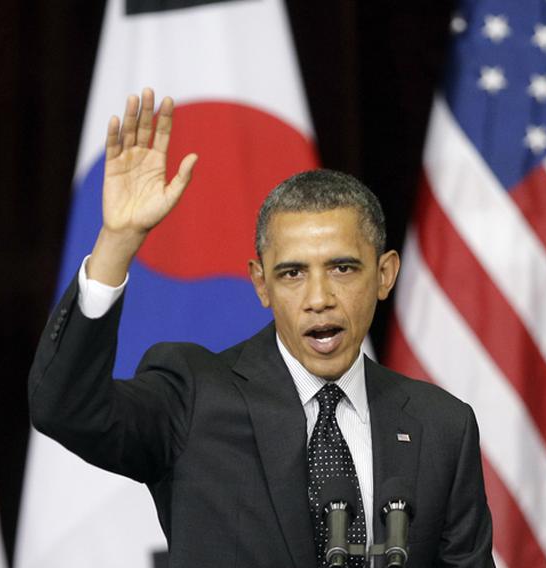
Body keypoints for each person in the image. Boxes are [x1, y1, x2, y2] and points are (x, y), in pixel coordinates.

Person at [29, 88, 494, 567]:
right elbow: (64, 410)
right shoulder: (193, 397)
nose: (318, 299)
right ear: (261, 284)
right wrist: (116, 243)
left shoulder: (442, 427)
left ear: (384, 275)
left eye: (343, 269)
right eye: (292, 273)